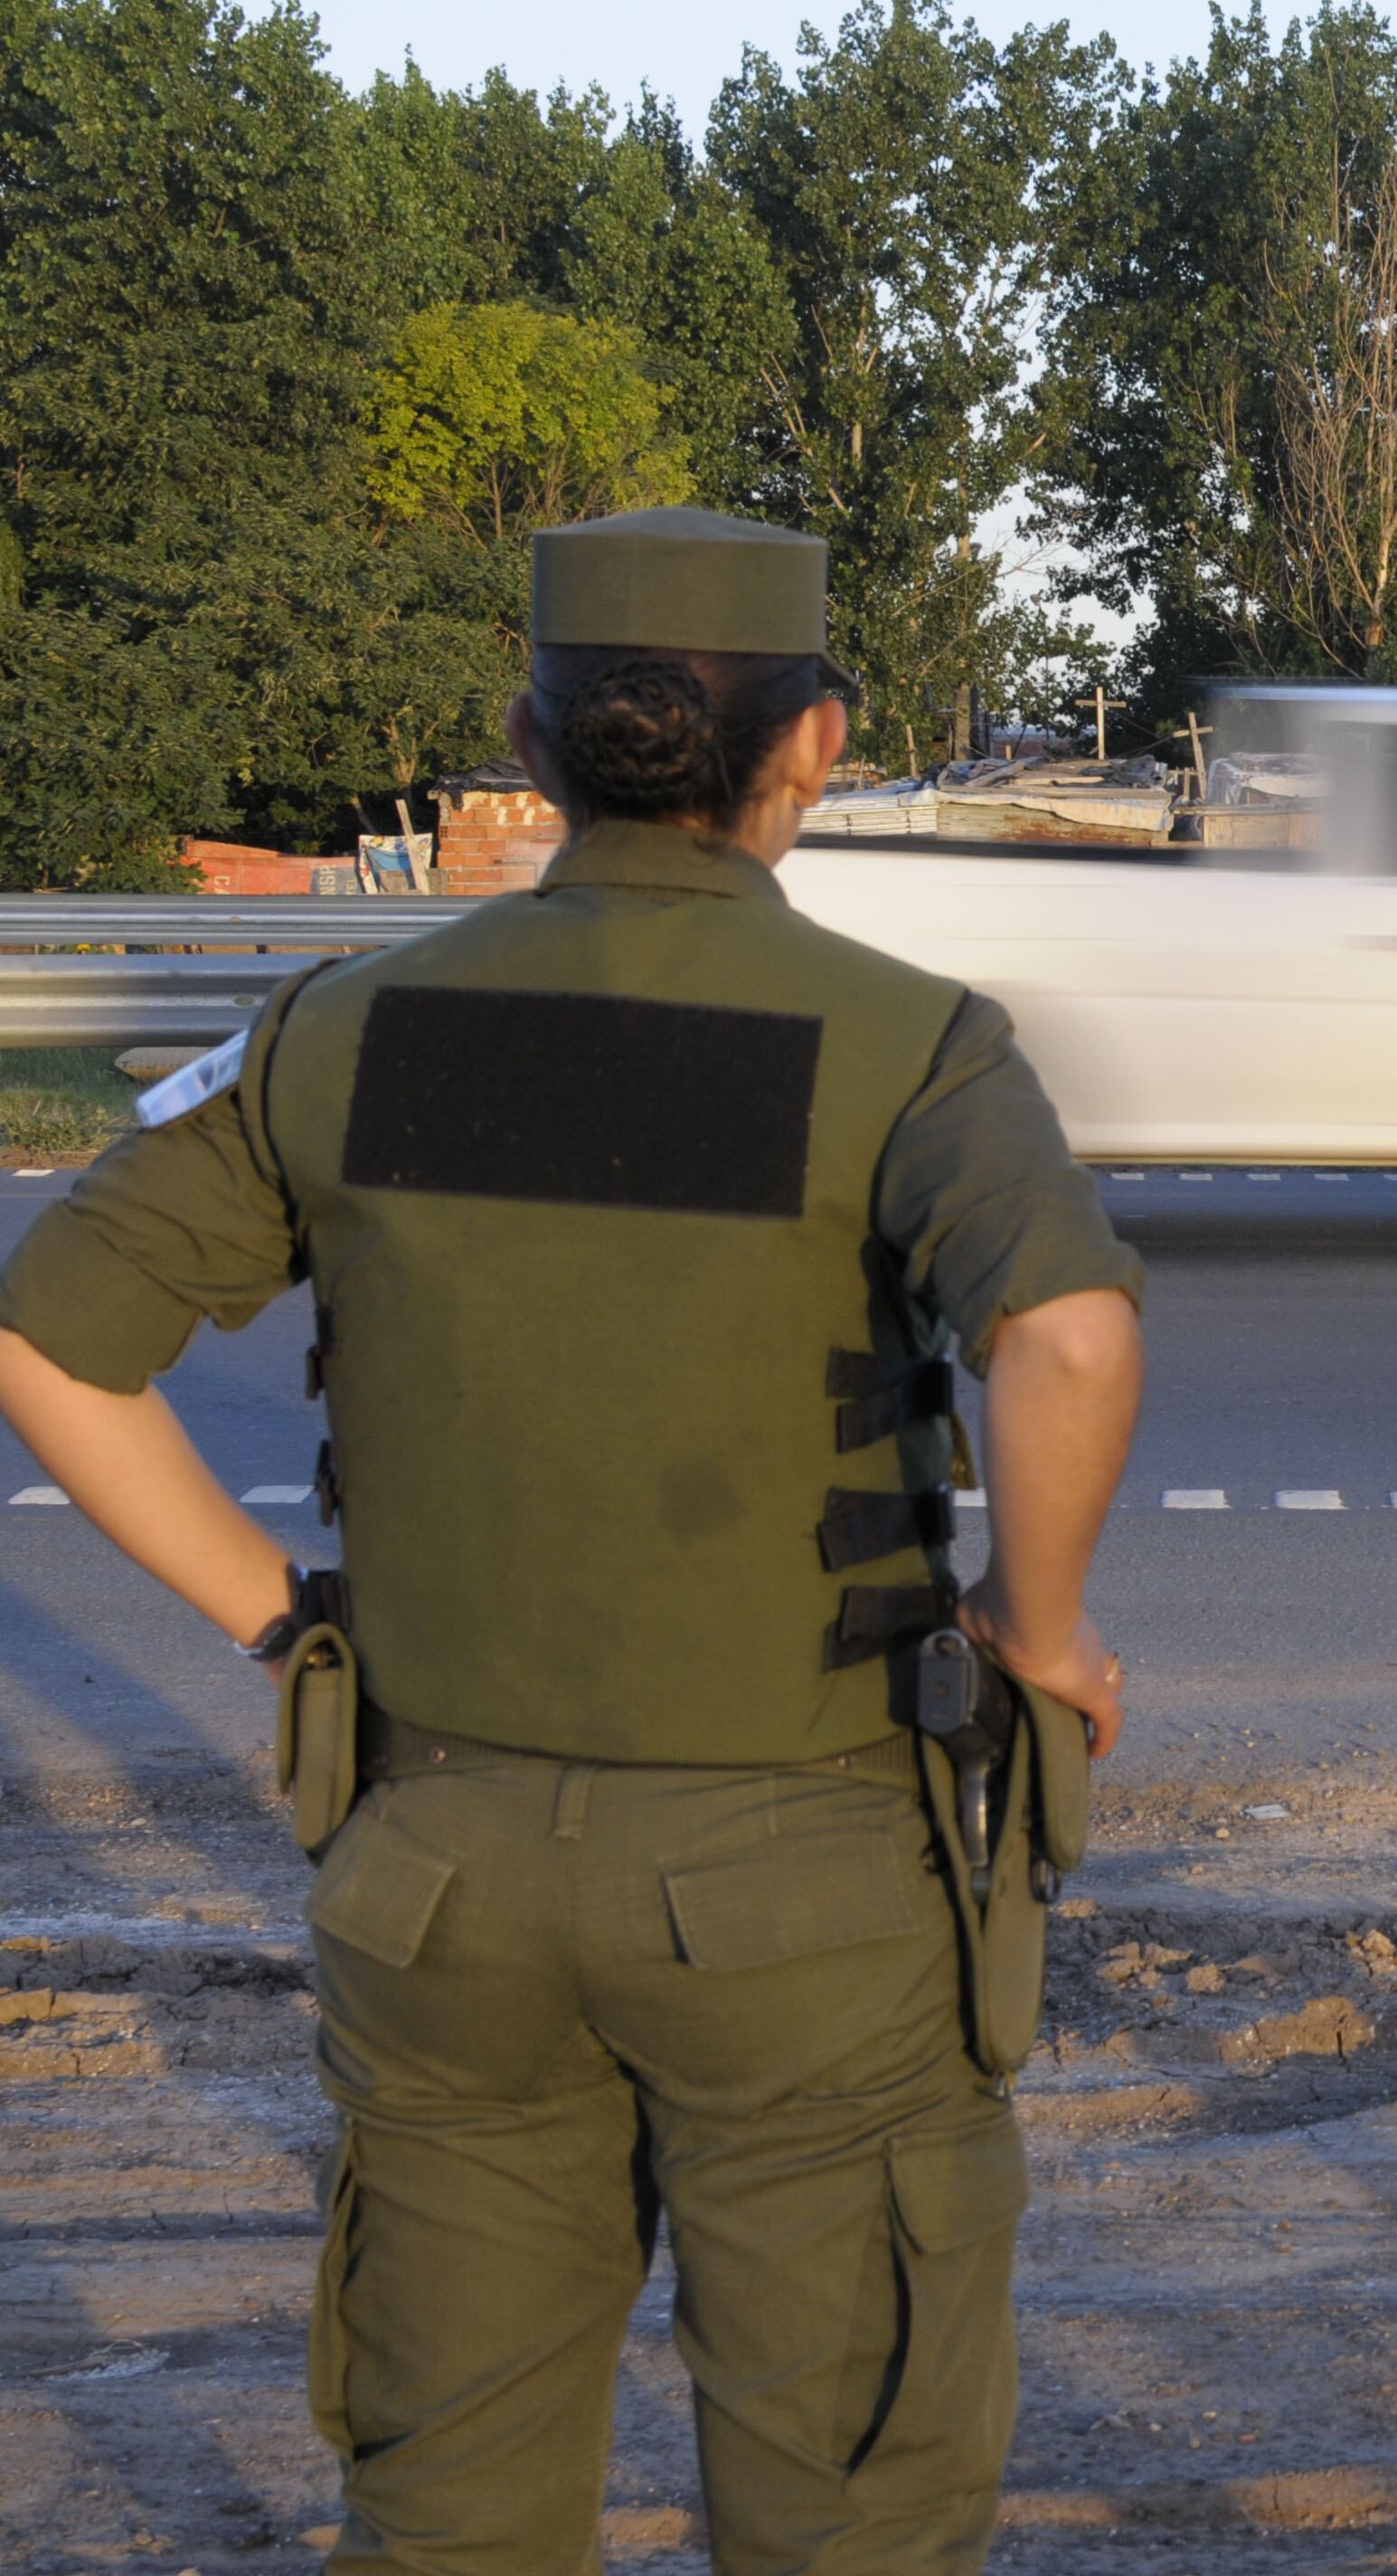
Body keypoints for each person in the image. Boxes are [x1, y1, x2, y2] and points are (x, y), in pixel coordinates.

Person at [0, 505, 1147, 2572]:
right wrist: (1035, 1627)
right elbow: (1065, 1334)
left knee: (446, 2507)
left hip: (437, 1872)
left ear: (531, 743)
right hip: (805, 1883)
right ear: (814, 743)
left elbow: (48, 1339)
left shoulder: (348, 1025)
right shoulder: (910, 1043)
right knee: (847, 2508)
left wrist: (285, 1626)